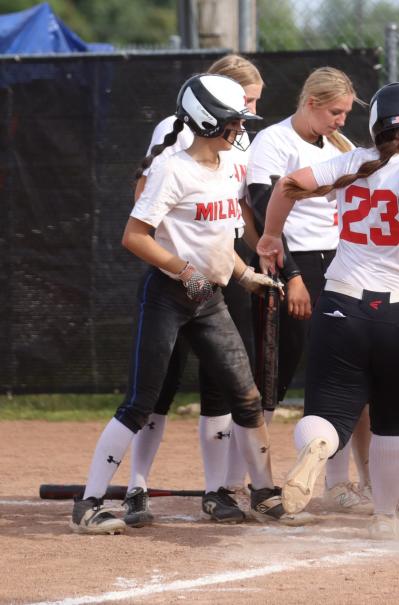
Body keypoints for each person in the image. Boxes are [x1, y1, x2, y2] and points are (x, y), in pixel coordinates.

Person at [71, 74, 302, 534]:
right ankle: (90, 503)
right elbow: (134, 237)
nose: (240, 131)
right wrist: (184, 272)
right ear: (207, 120)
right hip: (169, 297)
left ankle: (262, 492)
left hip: (209, 297)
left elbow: (218, 245)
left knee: (247, 396)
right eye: (234, 122)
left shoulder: (224, 168)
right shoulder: (173, 169)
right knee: (142, 402)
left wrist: (247, 275)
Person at [256, 82, 399, 539]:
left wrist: (272, 235)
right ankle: (384, 515)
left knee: (329, 415)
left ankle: (316, 446)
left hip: (343, 304)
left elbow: (288, 186)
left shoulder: (352, 160)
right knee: (393, 418)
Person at [246, 67, 398, 514]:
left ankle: (352, 481)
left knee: (351, 375)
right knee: (273, 378)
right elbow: (261, 204)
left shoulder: (340, 146)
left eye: (346, 113)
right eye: (335, 111)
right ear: (310, 101)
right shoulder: (273, 142)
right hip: (294, 262)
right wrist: (291, 274)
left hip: (339, 265)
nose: (340, 121)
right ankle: (256, 483)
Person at [123, 55, 266, 526]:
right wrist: (182, 263)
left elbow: (237, 205)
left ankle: (216, 489)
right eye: (244, 101)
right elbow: (147, 196)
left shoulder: (237, 139)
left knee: (222, 387)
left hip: (224, 272)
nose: (247, 113)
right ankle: (136, 487)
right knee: (158, 388)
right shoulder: (182, 127)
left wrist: (252, 254)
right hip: (176, 276)